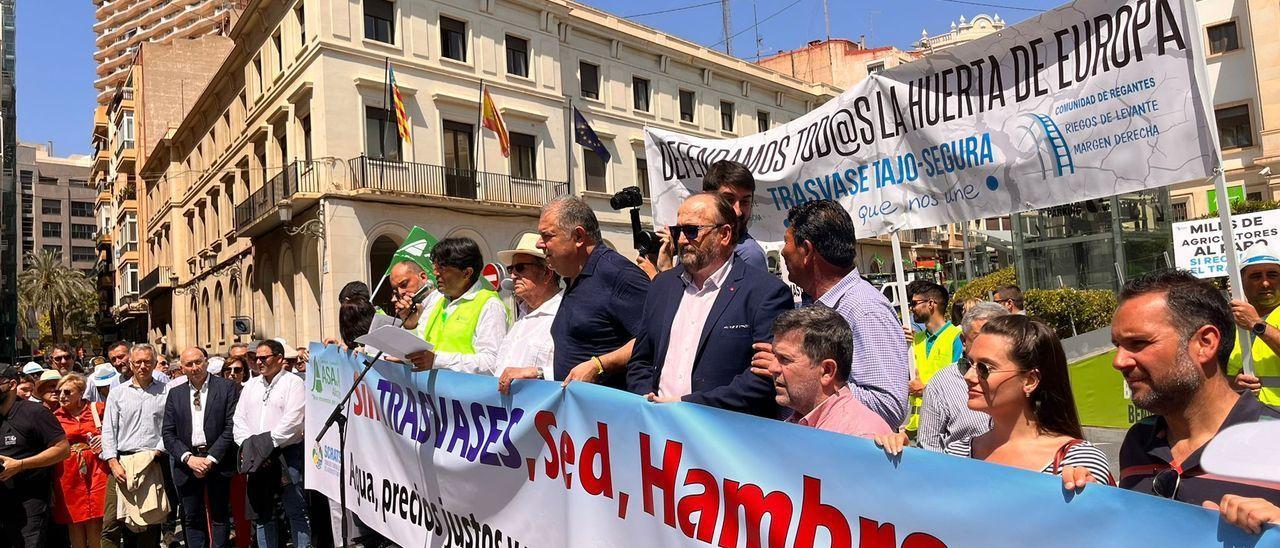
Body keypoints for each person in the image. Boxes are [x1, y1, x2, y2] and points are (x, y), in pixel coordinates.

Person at [1106, 270, 1280, 534]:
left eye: (1139, 343)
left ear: (1205, 343)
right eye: (1118, 345)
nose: (1119, 361)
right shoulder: (1138, 442)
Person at [876, 315, 1113, 485]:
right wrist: (900, 462)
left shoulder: (1078, 464)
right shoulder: (958, 453)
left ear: (1030, 380)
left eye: (985, 368)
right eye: (967, 363)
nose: (968, 376)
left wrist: (1087, 500)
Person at [626, 193, 792, 417]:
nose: (682, 240)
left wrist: (686, 405)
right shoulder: (662, 286)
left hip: (725, 436)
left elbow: (762, 379)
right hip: (661, 431)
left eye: (692, 231)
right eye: (678, 231)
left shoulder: (766, 293)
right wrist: (647, 401)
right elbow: (641, 361)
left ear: (724, 234)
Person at [751, 200, 909, 426]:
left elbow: (887, 406)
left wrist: (803, 375)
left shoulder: (866, 309)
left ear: (806, 250)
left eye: (787, 242)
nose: (784, 252)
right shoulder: (812, 305)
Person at [537, 196, 649, 387]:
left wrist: (599, 365)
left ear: (578, 237)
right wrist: (538, 374)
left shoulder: (618, 274)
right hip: (577, 411)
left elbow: (654, 337)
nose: (539, 244)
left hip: (611, 412)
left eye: (547, 236)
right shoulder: (574, 277)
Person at [770, 307, 892, 437]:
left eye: (785, 359)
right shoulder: (798, 423)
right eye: (774, 356)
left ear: (827, 371)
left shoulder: (859, 438)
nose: (772, 368)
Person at [233, 340, 309, 548]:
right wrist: (251, 446)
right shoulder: (251, 386)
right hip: (256, 458)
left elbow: (293, 421)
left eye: (264, 357)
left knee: (295, 510)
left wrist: (265, 446)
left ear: (279, 358)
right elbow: (239, 420)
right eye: (256, 358)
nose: (259, 362)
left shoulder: (293, 383)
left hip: (286, 454)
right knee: (262, 513)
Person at [394, 237, 509, 375]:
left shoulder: (490, 305)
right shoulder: (437, 301)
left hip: (465, 394)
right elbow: (420, 351)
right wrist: (410, 326)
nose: (436, 273)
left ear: (467, 273)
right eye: (435, 267)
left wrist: (437, 360)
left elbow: (492, 363)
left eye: (441, 268)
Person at [163, 347, 239, 548]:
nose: (194, 368)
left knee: (219, 516)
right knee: (191, 517)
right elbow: (168, 434)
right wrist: (189, 458)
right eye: (189, 364)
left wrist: (211, 459)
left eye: (198, 362)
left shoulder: (226, 388)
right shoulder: (175, 393)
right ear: (182, 368)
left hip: (217, 462)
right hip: (187, 464)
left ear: (206, 362)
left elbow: (231, 427)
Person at [99, 343, 169, 548]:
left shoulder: (167, 392)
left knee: (149, 520)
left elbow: (170, 427)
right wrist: (112, 462)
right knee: (112, 521)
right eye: (138, 362)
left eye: (148, 362)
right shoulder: (118, 393)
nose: (142, 366)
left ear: (155, 363)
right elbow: (109, 430)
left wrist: (157, 452)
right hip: (121, 463)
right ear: (131, 363)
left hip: (152, 462)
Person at [916, 302, 1003, 452]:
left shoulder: (1020, 379)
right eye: (979, 338)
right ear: (963, 341)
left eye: (998, 339)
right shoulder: (941, 384)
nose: (988, 345)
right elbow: (929, 449)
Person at [0, 365, 71, 547]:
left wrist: (21, 464)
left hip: (30, 499)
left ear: (12, 384)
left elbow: (62, 449)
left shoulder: (35, 413)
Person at [495, 234, 564, 392]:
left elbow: (578, 370)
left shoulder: (566, 313)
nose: (513, 275)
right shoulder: (521, 316)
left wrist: (537, 373)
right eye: (511, 269)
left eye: (520, 268)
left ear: (547, 273)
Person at [51, 373, 108, 548]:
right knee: (74, 520)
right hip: (68, 473)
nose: (61, 396)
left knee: (97, 518)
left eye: (67, 392)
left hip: (96, 469)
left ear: (81, 393)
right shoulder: (55, 416)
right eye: (59, 391)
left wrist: (104, 438)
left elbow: (116, 431)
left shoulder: (97, 409)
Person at [905, 280, 963, 433]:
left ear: (931, 304)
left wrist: (925, 390)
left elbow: (961, 386)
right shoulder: (915, 340)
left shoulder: (956, 338)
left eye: (914, 303)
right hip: (916, 427)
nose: (912, 309)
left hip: (946, 427)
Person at [1226, 245, 1280, 406]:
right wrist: (1232, 385)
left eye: (1273, 275)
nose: (1265, 283)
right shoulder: (1229, 322)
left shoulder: (1249, 321)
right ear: (1241, 282)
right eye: (1256, 276)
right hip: (1246, 419)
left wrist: (1257, 324)